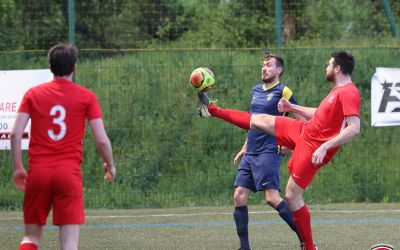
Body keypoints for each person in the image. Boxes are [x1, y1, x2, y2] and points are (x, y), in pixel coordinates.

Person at [198, 51, 360, 250]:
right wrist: (293, 107)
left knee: (291, 196)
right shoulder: (336, 90)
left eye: (329, 64)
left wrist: (325, 146)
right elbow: (318, 114)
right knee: (261, 120)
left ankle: (309, 246)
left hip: (313, 146)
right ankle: (212, 110)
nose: (326, 67)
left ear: (337, 68)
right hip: (304, 131)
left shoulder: (349, 92)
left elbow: (354, 127)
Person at [10, 43, 116, 250]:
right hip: (69, 175)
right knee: (69, 243)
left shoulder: (33, 94)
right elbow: (102, 140)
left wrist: (17, 167)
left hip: (38, 173)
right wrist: (110, 164)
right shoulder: (86, 97)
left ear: (50, 67)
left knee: (30, 238)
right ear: (74, 68)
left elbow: (15, 133)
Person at [221, 53, 302, 250]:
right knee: (239, 195)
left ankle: (305, 239)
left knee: (272, 198)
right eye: (263, 65)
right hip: (251, 152)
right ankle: (244, 247)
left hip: (268, 150)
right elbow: (253, 122)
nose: (264, 68)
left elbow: (298, 119)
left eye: (268, 65)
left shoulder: (284, 91)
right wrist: (244, 147)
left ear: (279, 70)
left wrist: (289, 144)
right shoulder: (256, 90)